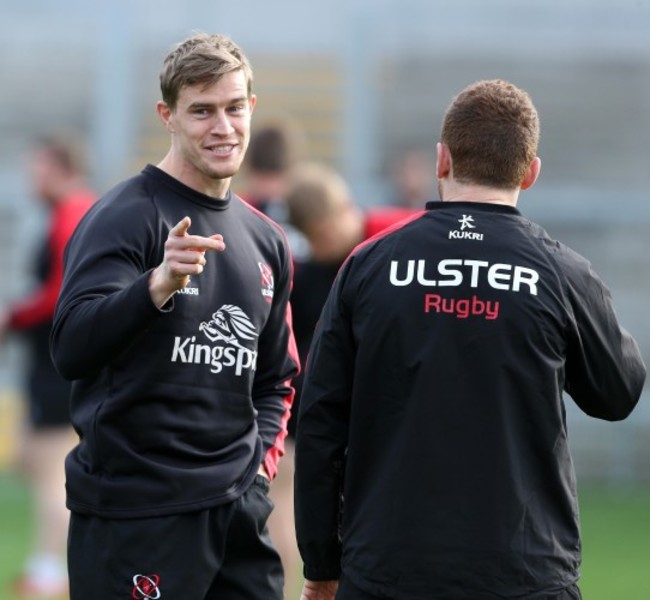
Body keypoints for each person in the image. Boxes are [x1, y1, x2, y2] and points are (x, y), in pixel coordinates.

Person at [294, 79, 646, 600]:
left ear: (441, 160)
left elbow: (320, 420)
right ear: (530, 172)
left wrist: (321, 563)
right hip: (524, 574)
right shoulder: (561, 273)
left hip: (386, 573)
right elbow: (619, 392)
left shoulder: (368, 266)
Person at [49, 33, 299, 600]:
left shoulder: (266, 240)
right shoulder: (125, 216)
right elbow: (71, 346)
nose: (223, 127)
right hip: (139, 516)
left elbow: (277, 377)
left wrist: (258, 467)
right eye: (202, 111)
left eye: (234, 108)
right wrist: (156, 285)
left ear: (251, 107)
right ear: (168, 115)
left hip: (238, 513)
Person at [0, 135, 95, 598]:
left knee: (52, 463)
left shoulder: (71, 214)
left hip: (62, 366)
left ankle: (50, 569)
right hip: (57, 363)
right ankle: (48, 564)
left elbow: (62, 292)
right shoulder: (74, 213)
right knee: (37, 460)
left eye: (37, 168)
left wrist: (12, 317)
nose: (31, 178)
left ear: (59, 167)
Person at [238, 120, 311, 262]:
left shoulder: (307, 212)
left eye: (274, 179)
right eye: (262, 178)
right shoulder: (238, 211)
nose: (269, 190)